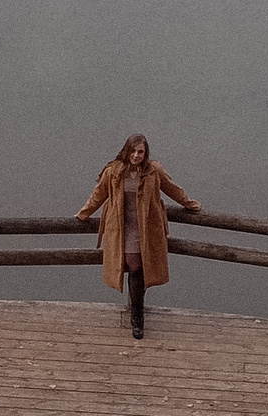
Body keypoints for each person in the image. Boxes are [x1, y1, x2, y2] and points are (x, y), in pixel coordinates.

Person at [76, 134, 200, 340]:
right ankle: (136, 313)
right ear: (126, 150)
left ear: (145, 153)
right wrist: (83, 213)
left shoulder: (153, 171)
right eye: (133, 151)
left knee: (136, 267)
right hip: (120, 227)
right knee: (132, 266)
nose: (136, 155)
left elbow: (172, 188)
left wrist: (190, 203)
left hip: (144, 229)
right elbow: (98, 194)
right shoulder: (114, 171)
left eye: (140, 152)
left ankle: (138, 316)